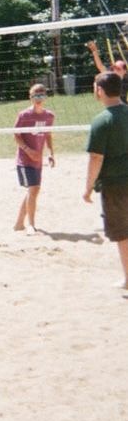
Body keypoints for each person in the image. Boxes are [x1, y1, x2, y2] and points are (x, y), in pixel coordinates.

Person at [83, 72, 128, 288]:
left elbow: (95, 158)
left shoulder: (102, 121)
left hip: (116, 185)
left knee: (123, 232)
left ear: (100, 90)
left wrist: (88, 188)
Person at [13, 83, 55, 235]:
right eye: (36, 95)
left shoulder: (49, 116)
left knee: (33, 191)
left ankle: (19, 223)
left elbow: (48, 135)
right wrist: (28, 150)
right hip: (25, 159)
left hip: (38, 160)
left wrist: (50, 153)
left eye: (41, 95)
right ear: (30, 97)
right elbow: (16, 135)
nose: (39, 98)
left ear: (45, 96)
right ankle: (31, 224)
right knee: (34, 189)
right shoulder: (24, 115)